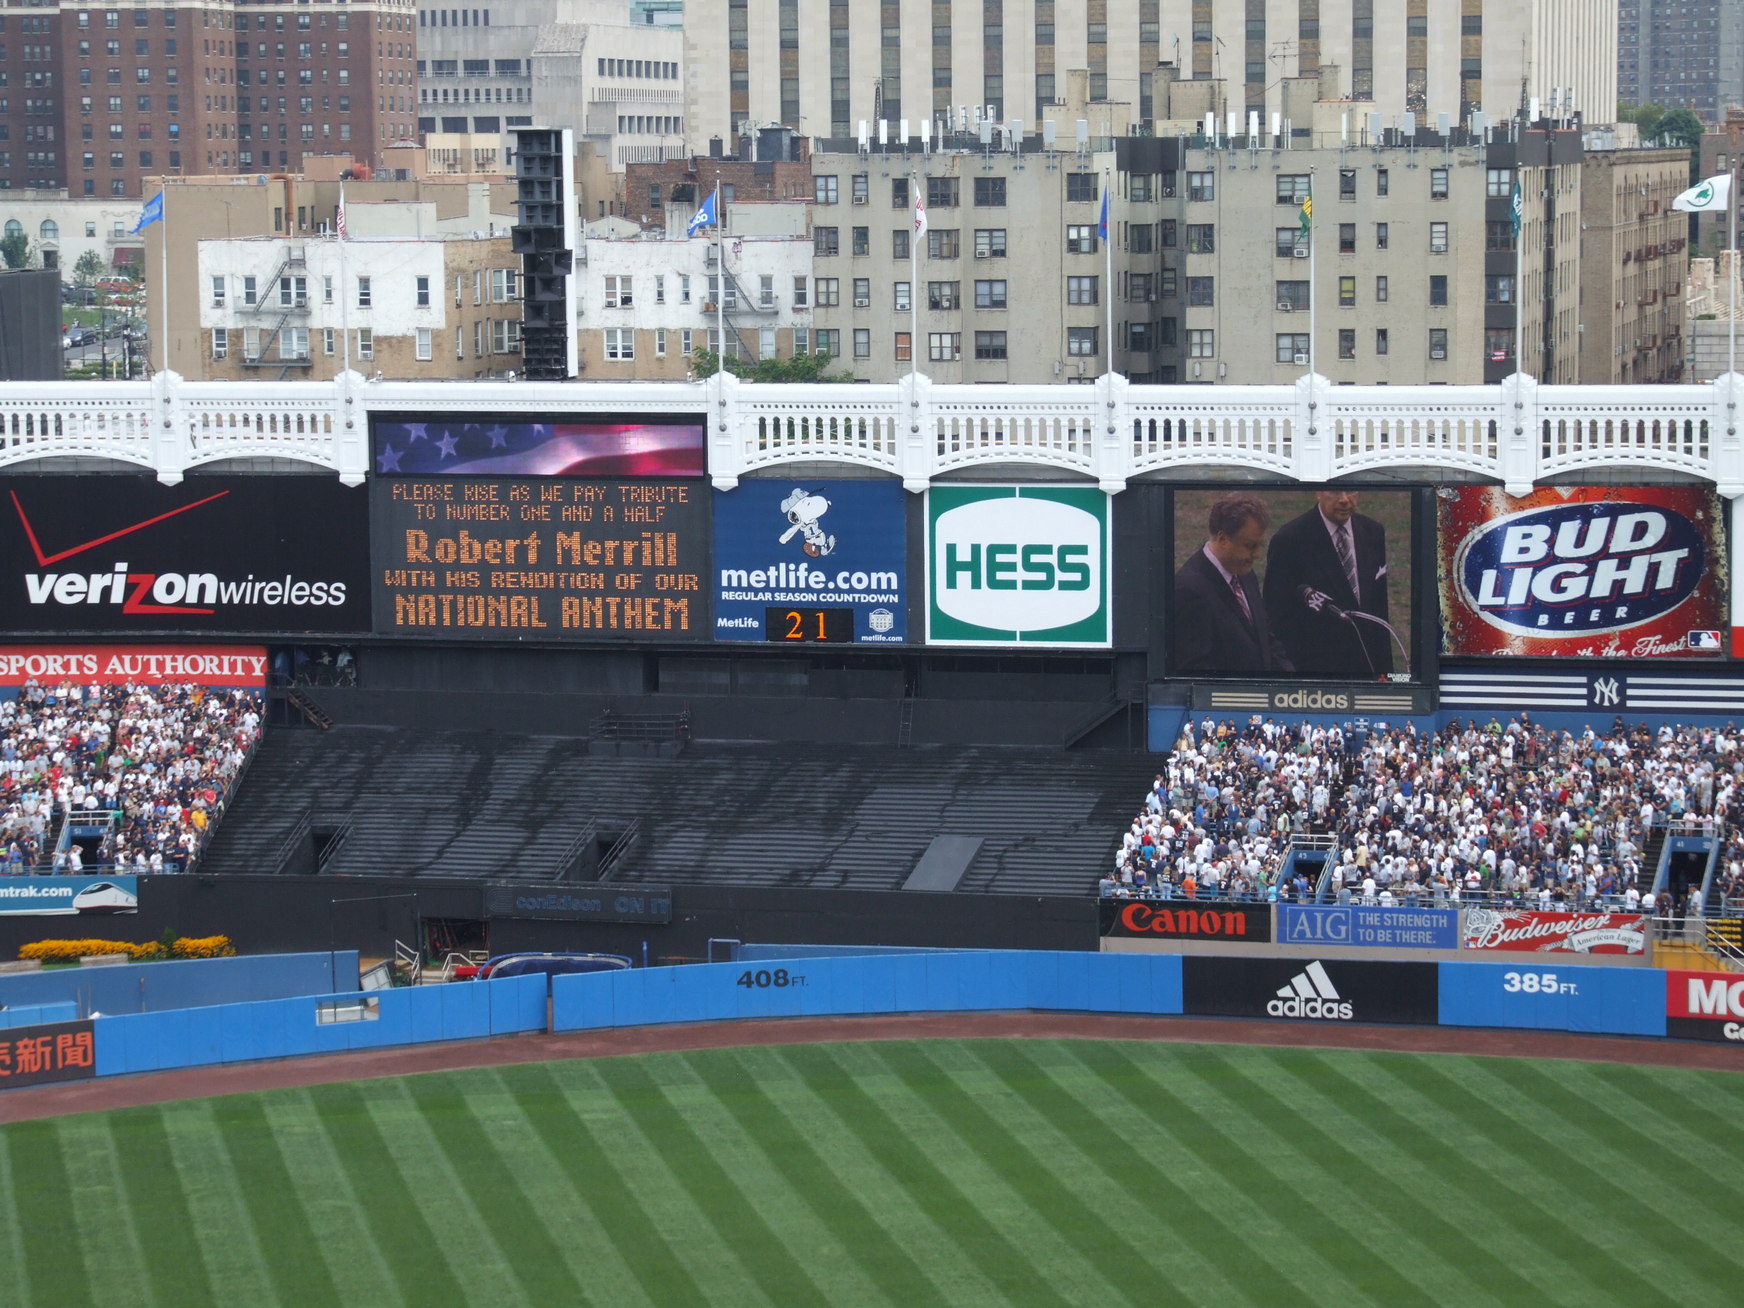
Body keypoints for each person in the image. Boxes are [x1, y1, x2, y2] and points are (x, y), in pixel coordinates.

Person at [1261, 488, 1394, 677]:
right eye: (1335, 491)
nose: (1344, 499)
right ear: (1318, 492)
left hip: (1367, 667)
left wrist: (1385, 675)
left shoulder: (1373, 532)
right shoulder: (1290, 539)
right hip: (1316, 671)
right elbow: (1276, 615)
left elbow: (1379, 610)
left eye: (1351, 491)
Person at [1173, 492, 1294, 673]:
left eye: (1260, 545)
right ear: (1223, 539)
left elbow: (1265, 640)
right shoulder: (1189, 591)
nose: (1258, 555)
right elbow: (1195, 670)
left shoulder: (1244, 573)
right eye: (1250, 546)